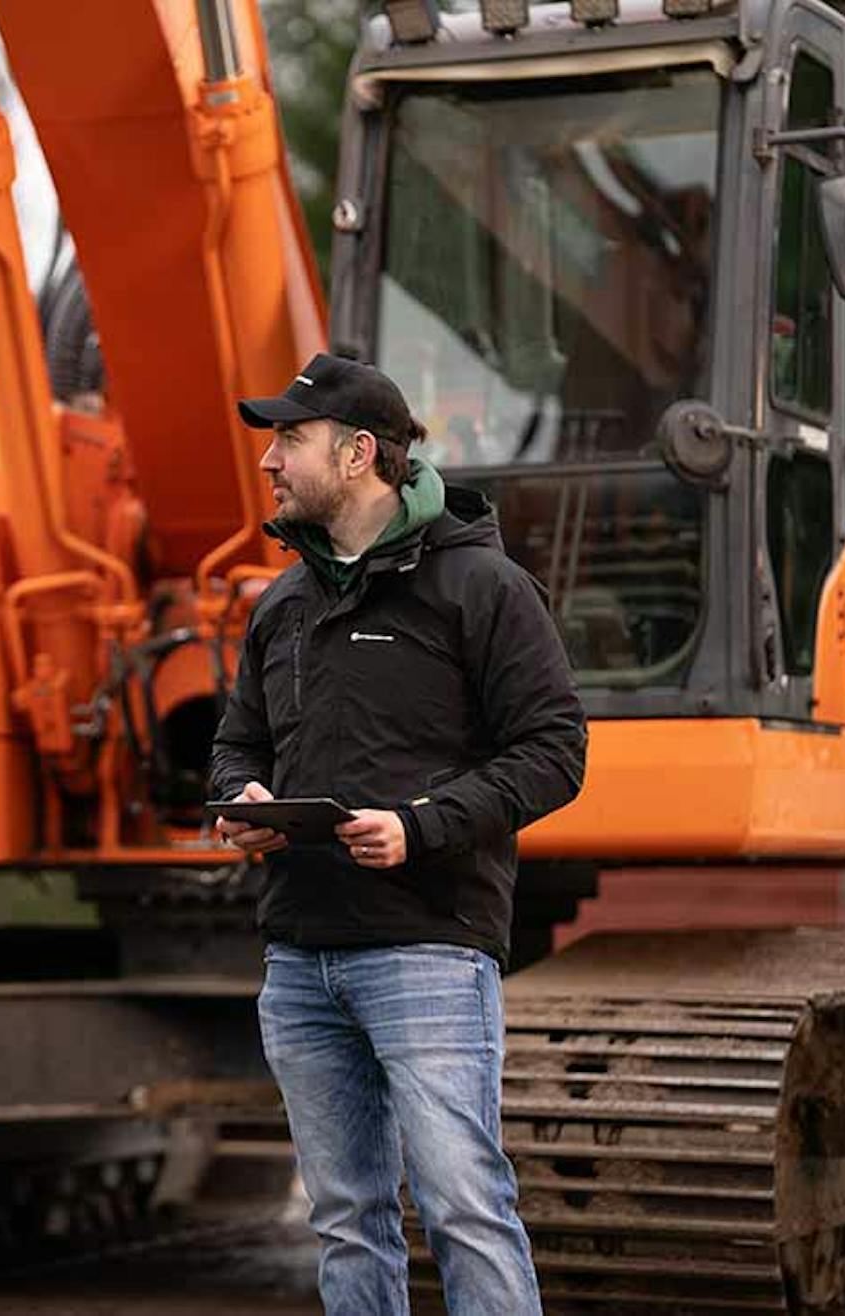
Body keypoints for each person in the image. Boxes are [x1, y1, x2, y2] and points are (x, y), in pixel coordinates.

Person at [209, 354, 586, 1315]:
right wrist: (244, 799)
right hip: (300, 956)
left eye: (288, 440)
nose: (270, 462)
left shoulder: (483, 587)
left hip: (427, 948)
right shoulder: (281, 607)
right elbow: (236, 743)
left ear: (359, 453)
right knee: (344, 1220)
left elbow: (553, 752)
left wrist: (421, 829)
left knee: (464, 1205)